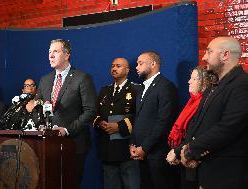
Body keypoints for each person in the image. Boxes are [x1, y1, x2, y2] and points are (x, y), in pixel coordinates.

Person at [180, 37, 248, 189]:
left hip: (227, 174)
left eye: (209, 52)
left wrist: (192, 149)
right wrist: (186, 149)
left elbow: (228, 128)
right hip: (207, 169)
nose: (204, 57)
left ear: (225, 55)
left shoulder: (242, 84)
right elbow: (199, 124)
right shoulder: (213, 86)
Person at [37, 39, 97, 188]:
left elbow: (90, 111)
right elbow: (37, 106)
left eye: (55, 52)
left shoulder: (82, 78)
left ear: (67, 55)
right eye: (49, 52)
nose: (50, 56)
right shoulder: (44, 80)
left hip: (74, 144)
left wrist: (67, 130)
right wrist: (40, 124)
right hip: (49, 144)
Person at [130, 51, 178, 189]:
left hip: (157, 154)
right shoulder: (141, 88)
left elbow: (164, 122)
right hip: (141, 153)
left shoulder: (166, 87)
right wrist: (133, 144)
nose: (136, 67)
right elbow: (137, 119)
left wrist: (144, 148)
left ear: (153, 64)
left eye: (140, 63)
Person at [93, 58, 141, 189]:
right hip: (107, 149)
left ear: (127, 70)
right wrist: (100, 123)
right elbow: (94, 114)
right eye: (112, 66)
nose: (114, 68)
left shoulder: (136, 89)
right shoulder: (104, 91)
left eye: (118, 66)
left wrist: (119, 126)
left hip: (127, 148)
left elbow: (141, 117)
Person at [166, 66, 214, 189]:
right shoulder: (191, 102)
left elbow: (196, 134)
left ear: (204, 82)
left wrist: (176, 152)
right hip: (185, 157)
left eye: (193, 79)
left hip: (197, 161)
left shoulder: (204, 104)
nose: (189, 81)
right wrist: (178, 153)